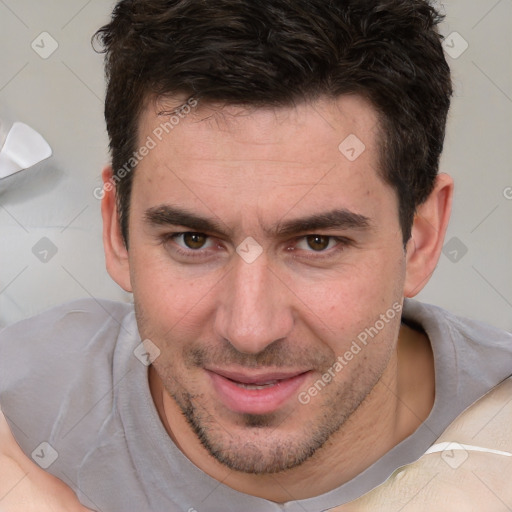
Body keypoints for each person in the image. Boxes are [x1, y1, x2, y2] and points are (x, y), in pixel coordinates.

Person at [1, 0, 511, 511]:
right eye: (192, 240)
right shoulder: (19, 401)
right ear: (116, 230)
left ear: (420, 238)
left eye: (317, 243)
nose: (249, 330)